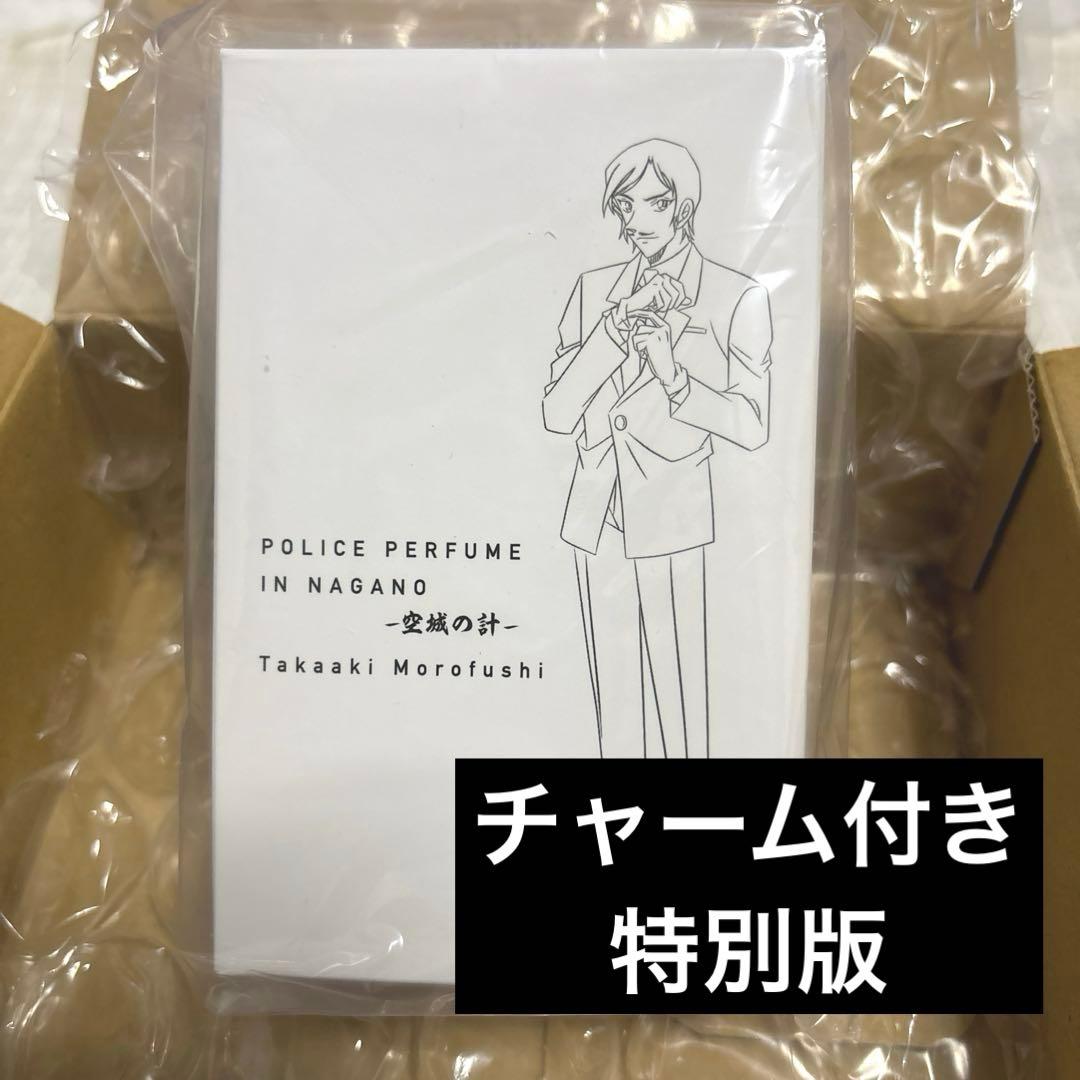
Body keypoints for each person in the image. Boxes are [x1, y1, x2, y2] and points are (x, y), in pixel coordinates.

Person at [543, 138, 774, 758]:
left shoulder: (736, 296)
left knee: (680, 704)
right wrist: (615, 332)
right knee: (614, 704)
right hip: (596, 512)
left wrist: (675, 378)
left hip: (672, 512)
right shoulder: (595, 291)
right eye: (625, 205)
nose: (638, 219)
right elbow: (558, 412)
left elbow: (753, 423)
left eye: (656, 202)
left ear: (684, 206)